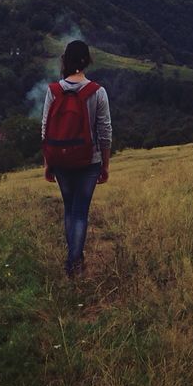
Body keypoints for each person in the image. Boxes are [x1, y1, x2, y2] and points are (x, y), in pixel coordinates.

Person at [41, 40, 112, 277]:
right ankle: (74, 263)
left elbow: (45, 130)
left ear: (65, 61)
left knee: (69, 210)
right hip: (88, 161)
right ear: (88, 61)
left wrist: (48, 162)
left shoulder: (53, 91)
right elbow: (105, 132)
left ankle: (74, 259)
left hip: (60, 160)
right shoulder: (98, 92)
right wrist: (105, 164)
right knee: (80, 211)